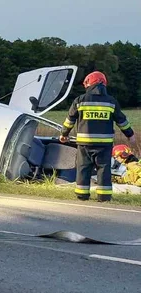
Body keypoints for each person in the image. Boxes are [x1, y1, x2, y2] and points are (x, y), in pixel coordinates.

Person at [58, 71, 136, 202]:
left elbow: (69, 120)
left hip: (84, 143)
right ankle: (104, 197)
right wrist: (130, 135)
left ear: (88, 84)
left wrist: (64, 134)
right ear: (103, 84)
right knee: (104, 169)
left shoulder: (80, 100)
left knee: (83, 168)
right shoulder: (111, 102)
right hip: (104, 144)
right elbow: (121, 121)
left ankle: (82, 195)